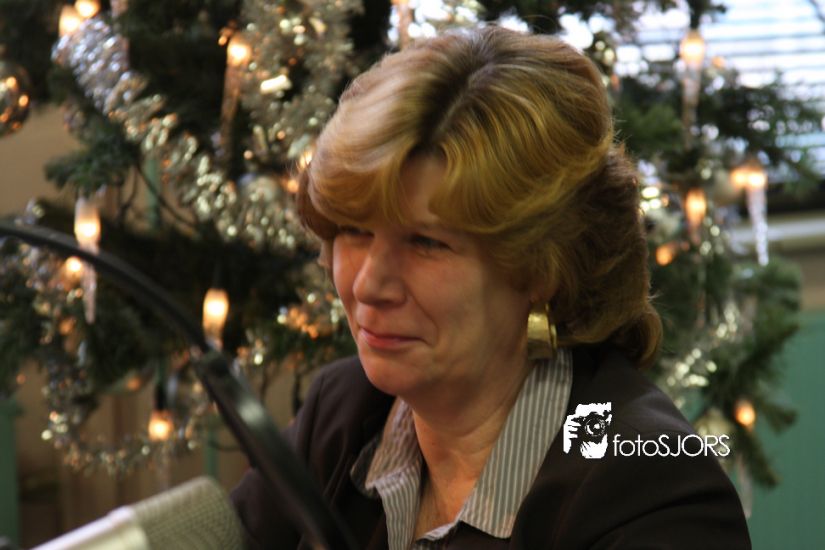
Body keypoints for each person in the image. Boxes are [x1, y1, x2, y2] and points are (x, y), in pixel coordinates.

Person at [231, 26, 751, 549]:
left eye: (426, 243)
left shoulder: (655, 495)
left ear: (541, 267)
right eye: (354, 231)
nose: (369, 285)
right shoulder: (344, 413)